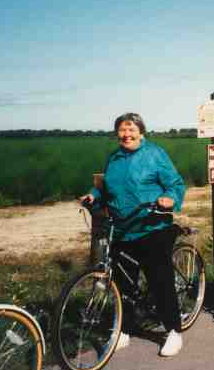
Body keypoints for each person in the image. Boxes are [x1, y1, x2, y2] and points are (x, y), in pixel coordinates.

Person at [79, 112, 186, 357]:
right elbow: (106, 188)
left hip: (152, 226)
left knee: (160, 280)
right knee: (123, 284)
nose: (126, 135)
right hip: (122, 229)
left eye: (131, 130)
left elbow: (175, 183)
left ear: (141, 132)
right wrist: (93, 195)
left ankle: (173, 331)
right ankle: (124, 328)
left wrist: (170, 199)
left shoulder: (155, 154)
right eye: (122, 131)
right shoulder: (114, 158)